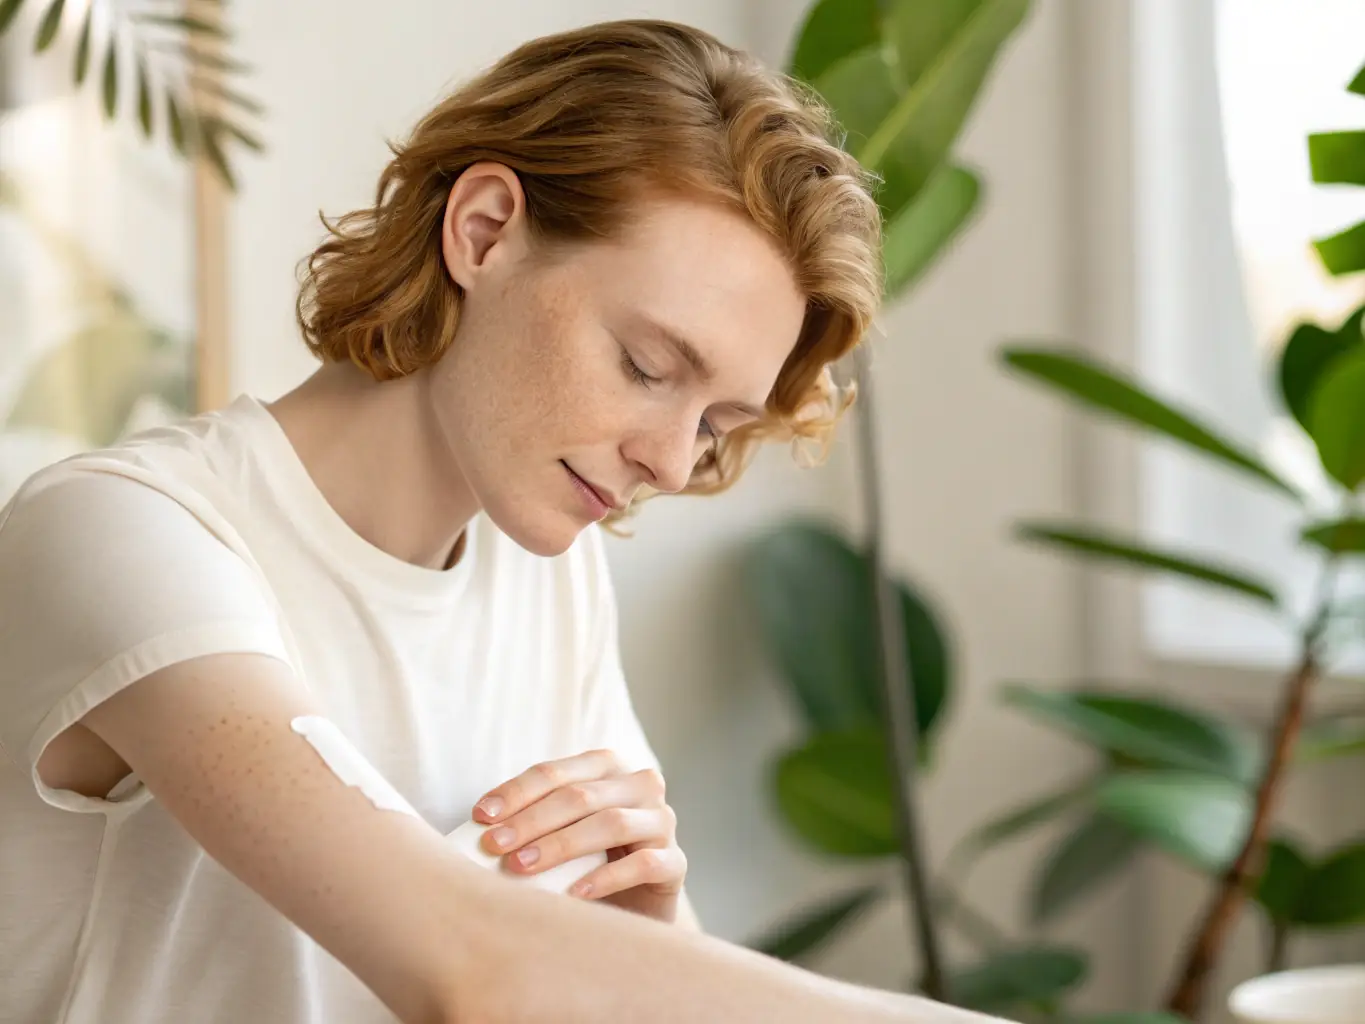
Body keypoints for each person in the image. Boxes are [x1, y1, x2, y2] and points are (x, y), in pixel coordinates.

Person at [0, 18, 1002, 1024]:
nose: (669, 457)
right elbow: (469, 965)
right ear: (483, 230)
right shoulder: (127, 535)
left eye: (715, 422)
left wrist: (644, 942)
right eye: (648, 367)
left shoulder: (545, 574)